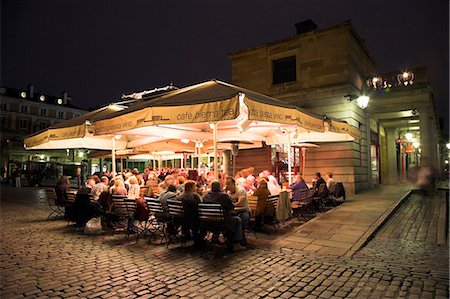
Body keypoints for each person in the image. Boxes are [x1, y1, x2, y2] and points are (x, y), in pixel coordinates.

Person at [202, 180, 245, 251]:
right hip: (222, 224)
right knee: (238, 220)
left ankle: (217, 239)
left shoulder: (206, 196)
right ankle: (236, 244)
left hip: (208, 223)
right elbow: (231, 207)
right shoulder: (223, 196)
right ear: (220, 187)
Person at [225, 177, 250, 244]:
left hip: (244, 210)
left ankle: (240, 239)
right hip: (235, 211)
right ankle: (234, 239)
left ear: (234, 184)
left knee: (242, 219)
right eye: (226, 184)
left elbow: (240, 203)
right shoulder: (228, 193)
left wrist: (231, 205)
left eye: (229, 184)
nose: (227, 186)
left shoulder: (241, 190)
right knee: (232, 220)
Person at [178, 180, 202, 245]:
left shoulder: (180, 195)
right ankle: (198, 239)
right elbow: (197, 208)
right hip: (190, 220)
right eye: (194, 187)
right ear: (191, 188)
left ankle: (188, 235)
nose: (196, 188)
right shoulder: (192, 196)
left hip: (180, 219)